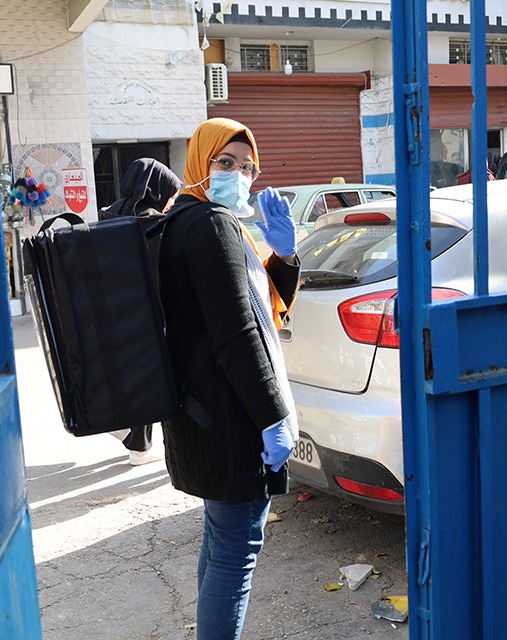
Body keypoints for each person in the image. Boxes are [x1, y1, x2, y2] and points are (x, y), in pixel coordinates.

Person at [157, 117, 300, 639]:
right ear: (198, 163)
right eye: (225, 163)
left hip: (200, 415)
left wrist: (284, 255)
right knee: (235, 554)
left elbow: (261, 305)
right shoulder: (212, 224)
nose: (238, 175)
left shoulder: (184, 221)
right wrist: (273, 418)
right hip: (231, 421)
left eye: (247, 167)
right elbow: (238, 332)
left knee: (221, 545)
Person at [100, 157, 182, 465]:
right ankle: (137, 444)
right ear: (158, 190)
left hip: (111, 312)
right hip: (149, 314)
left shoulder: (108, 216)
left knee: (131, 378)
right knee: (153, 379)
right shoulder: (156, 224)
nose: (171, 201)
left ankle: (134, 438)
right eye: (170, 194)